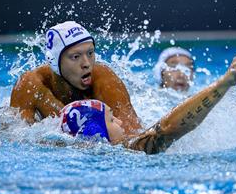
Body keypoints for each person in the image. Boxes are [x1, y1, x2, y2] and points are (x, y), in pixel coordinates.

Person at [60, 45, 236, 154]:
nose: (122, 121)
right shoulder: (129, 151)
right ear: (96, 131)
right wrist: (223, 84)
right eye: (112, 120)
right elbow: (167, 128)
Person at [10, 21, 142, 134]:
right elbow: (15, 140)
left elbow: (131, 136)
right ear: (54, 62)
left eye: (90, 53)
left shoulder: (104, 79)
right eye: (75, 57)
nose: (87, 64)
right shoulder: (31, 85)